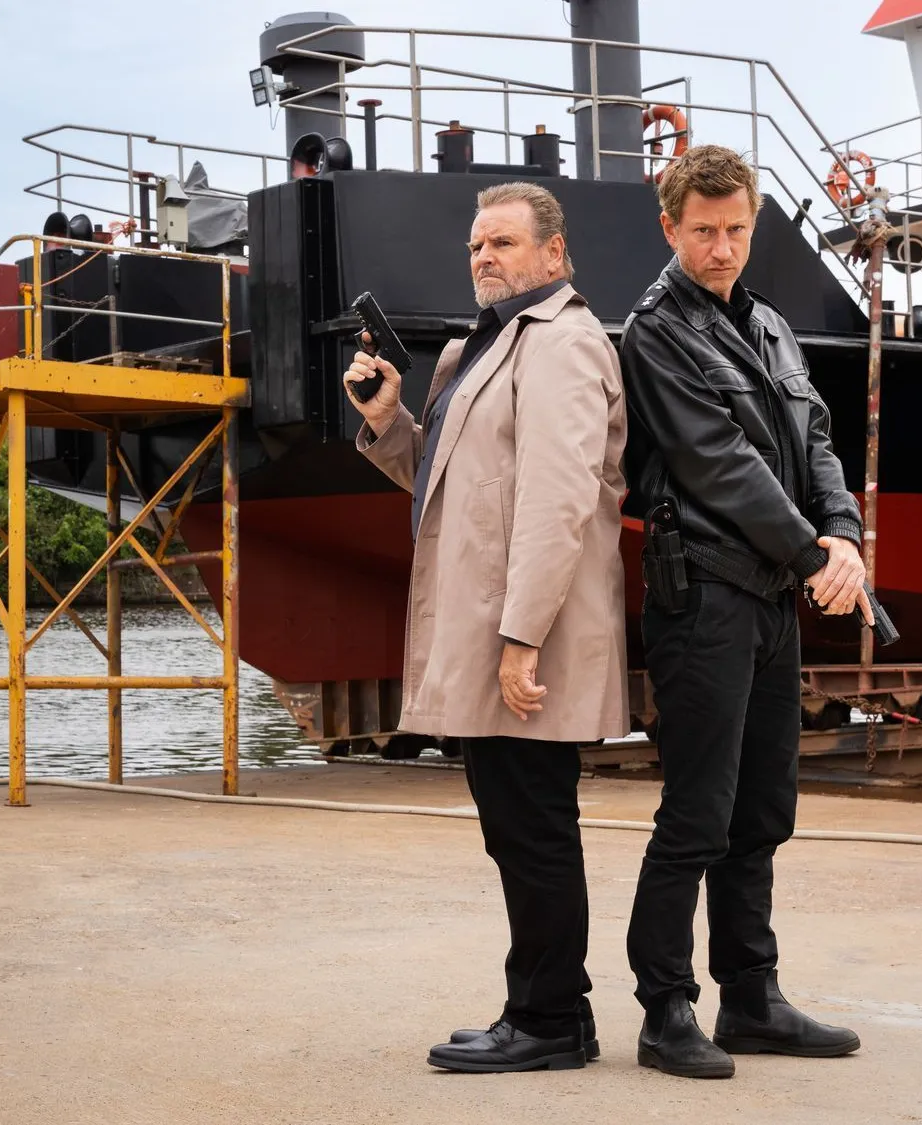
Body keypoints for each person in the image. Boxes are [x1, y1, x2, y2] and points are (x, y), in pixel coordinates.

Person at [343, 181, 628, 1074]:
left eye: (502, 242)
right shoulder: (483, 348)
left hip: (524, 636)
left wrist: (522, 637)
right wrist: (389, 420)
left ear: (554, 253)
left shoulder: (564, 343)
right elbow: (448, 482)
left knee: (533, 826)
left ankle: (550, 1020)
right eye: (476, 245)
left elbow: (557, 500)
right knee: (516, 825)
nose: (484, 257)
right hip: (494, 629)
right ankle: (545, 1005)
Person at [618, 145, 868, 1080]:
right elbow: (717, 462)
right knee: (698, 811)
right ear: (670, 228)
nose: (721, 248)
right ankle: (665, 1009)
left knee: (763, 808)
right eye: (703, 231)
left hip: (770, 599)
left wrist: (843, 534)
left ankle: (752, 998)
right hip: (704, 596)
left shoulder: (769, 327)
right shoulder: (655, 333)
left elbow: (817, 440)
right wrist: (815, 555)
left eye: (735, 230)